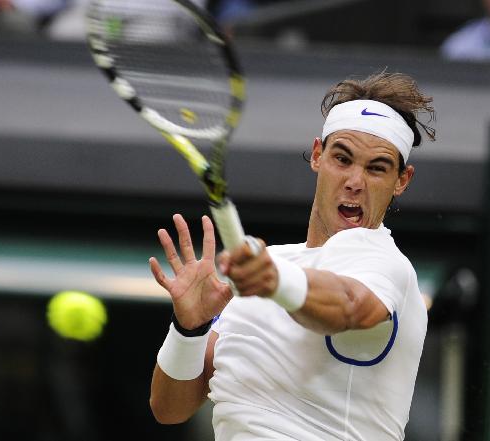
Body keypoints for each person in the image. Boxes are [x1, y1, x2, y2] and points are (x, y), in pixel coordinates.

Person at [148, 71, 436, 441]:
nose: (355, 181)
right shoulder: (268, 266)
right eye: (342, 159)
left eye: (376, 168)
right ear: (318, 155)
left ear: (402, 180)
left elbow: (349, 304)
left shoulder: (385, 263)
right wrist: (189, 329)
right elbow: (170, 408)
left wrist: (274, 280)